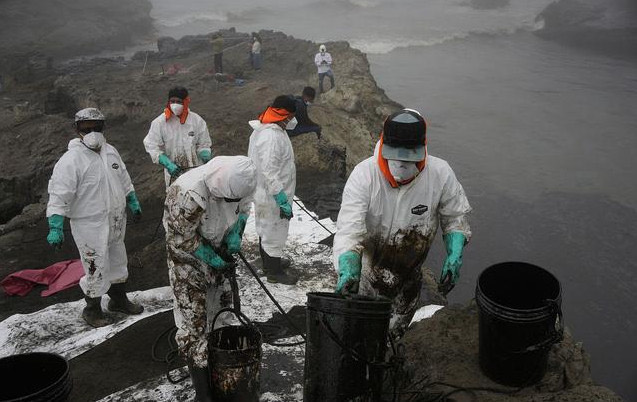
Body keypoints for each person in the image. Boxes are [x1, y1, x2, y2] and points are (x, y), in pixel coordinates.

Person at [332, 108, 472, 338]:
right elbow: (349, 229)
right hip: (367, 274)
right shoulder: (364, 175)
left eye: (409, 158)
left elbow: (455, 216)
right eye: (395, 157)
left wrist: (454, 253)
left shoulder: (440, 174)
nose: (401, 164)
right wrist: (348, 268)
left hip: (408, 279)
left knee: (394, 336)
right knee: (359, 334)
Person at [164, 155, 256, 402]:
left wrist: (237, 230)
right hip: (188, 260)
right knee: (195, 323)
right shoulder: (187, 193)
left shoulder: (245, 178)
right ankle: (203, 393)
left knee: (222, 313)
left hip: (219, 247)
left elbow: (244, 206)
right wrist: (211, 258)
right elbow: (181, 238)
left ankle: (220, 369)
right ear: (219, 186)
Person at [46, 107, 144, 328]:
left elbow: (123, 178)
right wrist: (55, 225)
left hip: (116, 220)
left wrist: (132, 200)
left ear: (103, 127)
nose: (92, 132)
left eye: (96, 127)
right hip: (89, 224)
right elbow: (59, 193)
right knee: (95, 265)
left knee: (118, 260)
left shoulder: (111, 152)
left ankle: (118, 300)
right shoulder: (71, 160)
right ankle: (92, 309)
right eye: (86, 128)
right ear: (77, 129)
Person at [248, 95, 299, 285]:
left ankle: (269, 263)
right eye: (291, 116)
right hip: (272, 194)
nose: (293, 120)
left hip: (267, 191)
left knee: (266, 229)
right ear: (284, 115)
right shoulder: (271, 136)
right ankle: (274, 272)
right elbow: (270, 171)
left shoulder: (270, 129)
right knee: (274, 231)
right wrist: (281, 198)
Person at [143, 86, 212, 188]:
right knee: (176, 196)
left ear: (185, 102)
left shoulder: (196, 121)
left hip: (196, 171)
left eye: (179, 102)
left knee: (198, 195)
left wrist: (205, 153)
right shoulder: (160, 123)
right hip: (174, 173)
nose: (175, 105)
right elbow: (151, 145)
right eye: (172, 101)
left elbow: (203, 143)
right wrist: (166, 162)